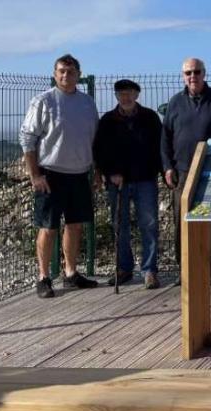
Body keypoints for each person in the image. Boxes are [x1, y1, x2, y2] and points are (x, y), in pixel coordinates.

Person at [19, 54, 100, 298]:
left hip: (79, 174)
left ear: (79, 74)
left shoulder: (87, 103)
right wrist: (35, 175)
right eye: (61, 71)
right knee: (48, 227)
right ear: (55, 74)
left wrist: (96, 172)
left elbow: (93, 140)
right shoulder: (43, 101)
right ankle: (44, 277)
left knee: (75, 226)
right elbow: (27, 138)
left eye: (71, 71)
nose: (66, 75)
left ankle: (71, 273)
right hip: (50, 175)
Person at [161, 58, 211, 286]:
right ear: (183, 76)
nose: (193, 76)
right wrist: (167, 167)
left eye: (197, 72)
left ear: (204, 73)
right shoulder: (174, 103)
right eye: (188, 72)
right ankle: (185, 268)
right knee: (182, 220)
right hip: (182, 172)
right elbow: (165, 138)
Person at [94, 79, 163, 290]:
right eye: (121, 93)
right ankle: (124, 268)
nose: (125, 97)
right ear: (116, 96)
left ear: (137, 95)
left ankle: (149, 270)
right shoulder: (107, 120)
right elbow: (99, 151)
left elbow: (160, 147)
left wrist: (159, 171)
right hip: (118, 183)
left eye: (129, 93)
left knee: (149, 225)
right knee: (119, 227)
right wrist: (109, 173)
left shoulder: (150, 118)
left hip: (145, 180)